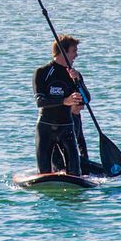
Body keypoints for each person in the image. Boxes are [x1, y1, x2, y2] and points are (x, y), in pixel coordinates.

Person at [33, 34, 91, 176]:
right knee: (45, 172)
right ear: (63, 52)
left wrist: (79, 82)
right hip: (45, 128)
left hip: (66, 129)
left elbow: (86, 100)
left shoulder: (74, 75)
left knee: (74, 173)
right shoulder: (42, 72)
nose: (76, 55)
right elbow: (40, 102)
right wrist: (64, 101)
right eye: (74, 51)